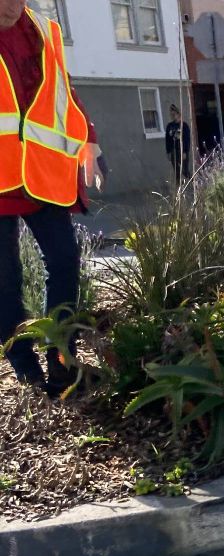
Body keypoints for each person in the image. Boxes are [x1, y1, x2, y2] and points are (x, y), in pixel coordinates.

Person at [0, 0, 104, 392]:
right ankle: (27, 371)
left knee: (64, 261)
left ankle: (62, 360)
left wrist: (89, 138)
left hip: (41, 173)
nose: (12, 7)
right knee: (3, 281)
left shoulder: (44, 31)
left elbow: (62, 89)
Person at [165, 104, 191, 185]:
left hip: (181, 151)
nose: (172, 116)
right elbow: (167, 140)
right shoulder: (170, 126)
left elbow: (187, 139)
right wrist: (168, 152)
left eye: (173, 114)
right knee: (177, 171)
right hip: (173, 151)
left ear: (178, 114)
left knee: (185, 171)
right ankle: (179, 188)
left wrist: (185, 152)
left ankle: (196, 183)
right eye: (171, 114)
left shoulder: (184, 126)